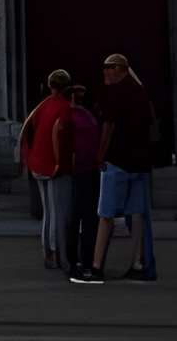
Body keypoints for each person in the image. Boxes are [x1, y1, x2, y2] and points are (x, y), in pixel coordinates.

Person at [70, 52, 157, 286]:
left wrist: (99, 156)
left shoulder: (115, 93)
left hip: (117, 160)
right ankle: (139, 264)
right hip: (140, 162)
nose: (105, 74)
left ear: (119, 70)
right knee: (137, 215)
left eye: (109, 70)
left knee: (105, 214)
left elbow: (109, 125)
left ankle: (95, 268)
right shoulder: (141, 92)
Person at [18, 68, 77, 273]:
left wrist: (28, 157)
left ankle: (47, 252)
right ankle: (55, 252)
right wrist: (60, 163)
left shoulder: (42, 106)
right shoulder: (65, 107)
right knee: (57, 211)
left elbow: (29, 129)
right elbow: (59, 133)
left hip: (38, 163)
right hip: (53, 165)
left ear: (51, 86)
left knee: (47, 211)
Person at [67, 83, 102, 279]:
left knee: (82, 217)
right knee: (82, 217)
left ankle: (80, 260)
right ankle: (80, 260)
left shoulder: (82, 115)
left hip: (85, 169)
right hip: (83, 170)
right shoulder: (82, 116)